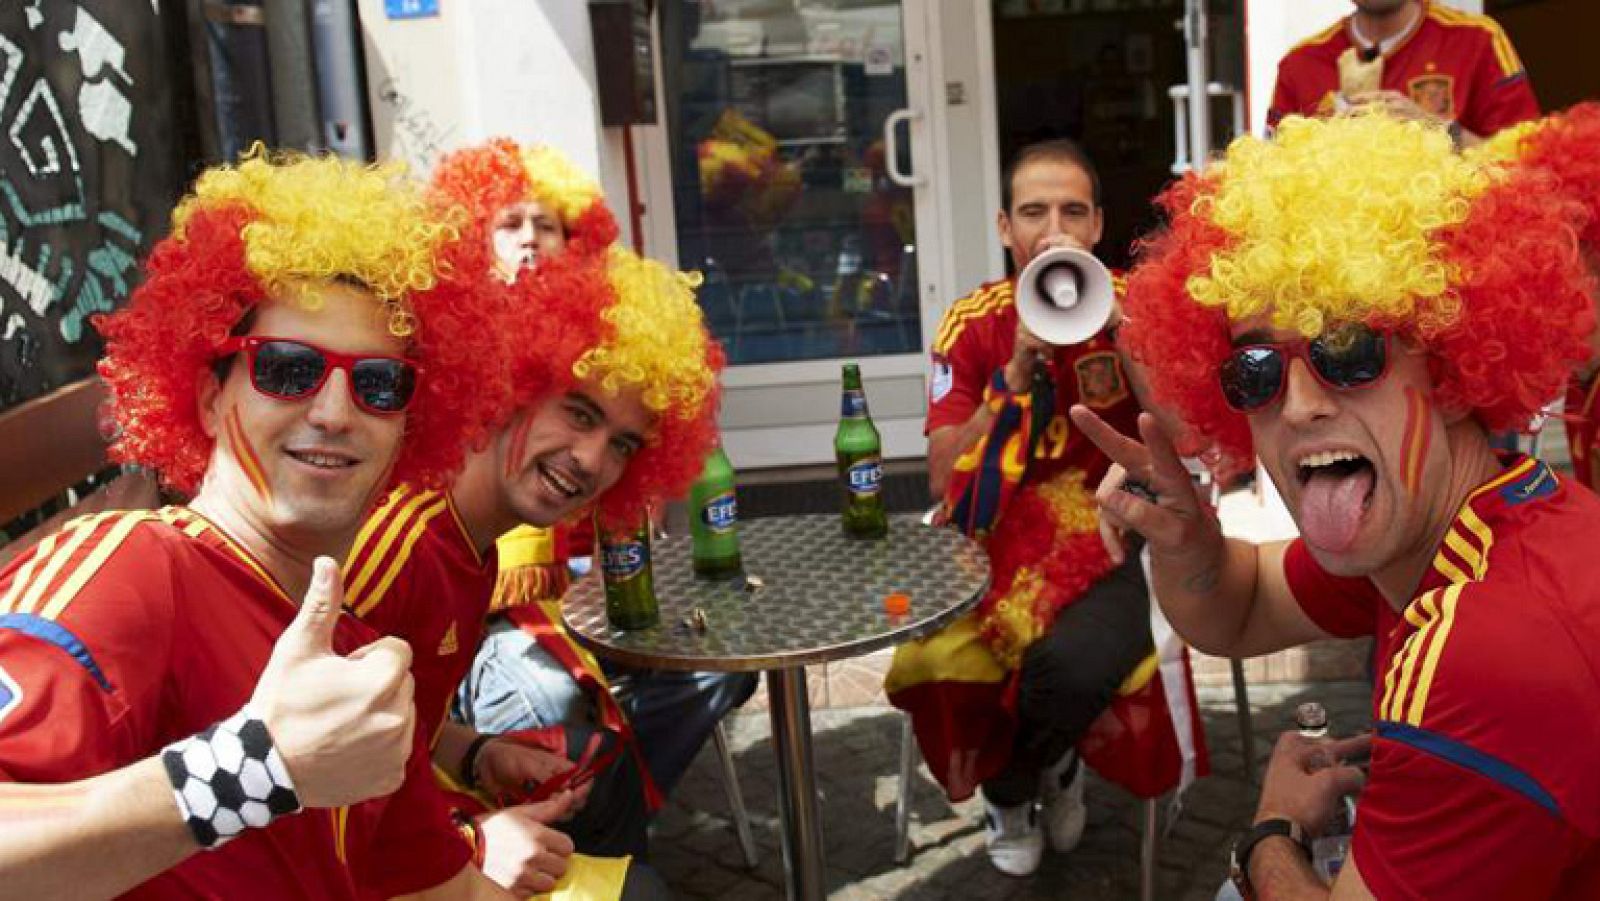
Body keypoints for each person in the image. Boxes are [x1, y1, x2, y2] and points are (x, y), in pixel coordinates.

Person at [1072, 110, 1600, 899]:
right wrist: (1189, 544)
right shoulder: (1480, 521)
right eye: (1257, 366)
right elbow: (1239, 607)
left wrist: (1269, 835)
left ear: (1453, 365)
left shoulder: (1483, 647)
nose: (1297, 405)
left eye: (1350, 349)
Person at [0, 153, 522, 898]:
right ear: (210, 398)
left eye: (378, 383)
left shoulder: (355, 660)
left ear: (411, 425)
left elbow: (444, 890)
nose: (335, 412)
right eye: (285, 368)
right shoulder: (132, 569)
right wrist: (254, 766)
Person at [434, 139, 754, 808]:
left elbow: (638, 499)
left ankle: (607, 803)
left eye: (544, 225)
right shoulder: (447, 343)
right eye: (509, 223)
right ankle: (592, 808)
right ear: (474, 234)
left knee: (725, 661)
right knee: (548, 695)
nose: (528, 240)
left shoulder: (614, 340)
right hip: (482, 616)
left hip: (594, 591)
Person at [884, 138, 1166, 877]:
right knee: (934, 658)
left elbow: (1195, 440)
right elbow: (944, 477)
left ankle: (1031, 771)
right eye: (1035, 213)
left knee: (1071, 668)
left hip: (1109, 532)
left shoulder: (1136, 309)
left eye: (1073, 211)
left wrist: (1133, 338)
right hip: (991, 534)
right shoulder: (972, 321)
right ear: (1007, 229)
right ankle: (1026, 781)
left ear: (1099, 225)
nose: (1056, 230)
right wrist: (1013, 372)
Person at [1268, 0, 1538, 146]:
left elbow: (1527, 166)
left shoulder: (1478, 40)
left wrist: (1441, 133)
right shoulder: (1299, 64)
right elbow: (1268, 181)